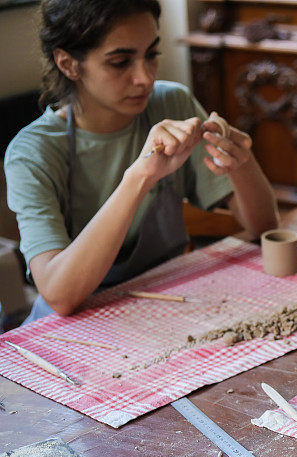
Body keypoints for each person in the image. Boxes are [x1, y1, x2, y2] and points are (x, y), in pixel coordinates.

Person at [5, 0, 279, 321]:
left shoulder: (171, 104)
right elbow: (60, 296)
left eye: (151, 54)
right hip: (72, 329)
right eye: (120, 62)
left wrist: (242, 163)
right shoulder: (32, 152)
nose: (145, 78)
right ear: (68, 64)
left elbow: (264, 227)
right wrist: (139, 177)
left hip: (165, 305)